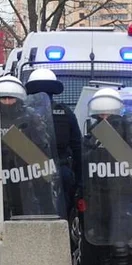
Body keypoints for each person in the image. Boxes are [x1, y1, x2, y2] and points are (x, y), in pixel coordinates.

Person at [81, 88, 132, 265]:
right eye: (101, 115)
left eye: (109, 114)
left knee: (120, 247)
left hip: (123, 195)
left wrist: (110, 138)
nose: (105, 118)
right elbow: (86, 160)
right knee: (103, 245)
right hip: (98, 194)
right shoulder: (91, 133)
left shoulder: (130, 128)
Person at [0, 75, 65, 219]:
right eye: (4, 98)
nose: (7, 102)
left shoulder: (31, 118)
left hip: (27, 179)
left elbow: (42, 151)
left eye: (11, 98)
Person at [26, 68, 81, 216]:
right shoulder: (66, 113)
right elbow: (77, 148)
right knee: (61, 214)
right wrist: (79, 182)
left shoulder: (23, 114)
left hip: (30, 173)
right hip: (59, 172)